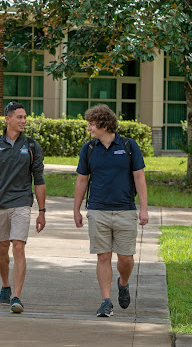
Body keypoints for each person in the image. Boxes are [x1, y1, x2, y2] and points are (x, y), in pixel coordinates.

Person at [74, 104, 149, 317]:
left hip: (125, 210)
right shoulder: (88, 149)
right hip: (98, 211)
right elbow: (81, 180)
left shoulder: (129, 146)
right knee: (103, 257)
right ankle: (106, 300)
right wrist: (76, 209)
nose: (89, 128)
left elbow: (139, 177)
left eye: (91, 124)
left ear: (104, 125)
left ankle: (123, 283)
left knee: (125, 258)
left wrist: (143, 209)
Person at [0, 101, 46, 314]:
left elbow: (39, 179)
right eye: (19, 117)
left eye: (25, 117)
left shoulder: (32, 146)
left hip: (22, 202)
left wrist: (42, 211)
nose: (23, 121)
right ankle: (6, 285)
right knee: (2, 248)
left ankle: (16, 296)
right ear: (7, 119)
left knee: (18, 246)